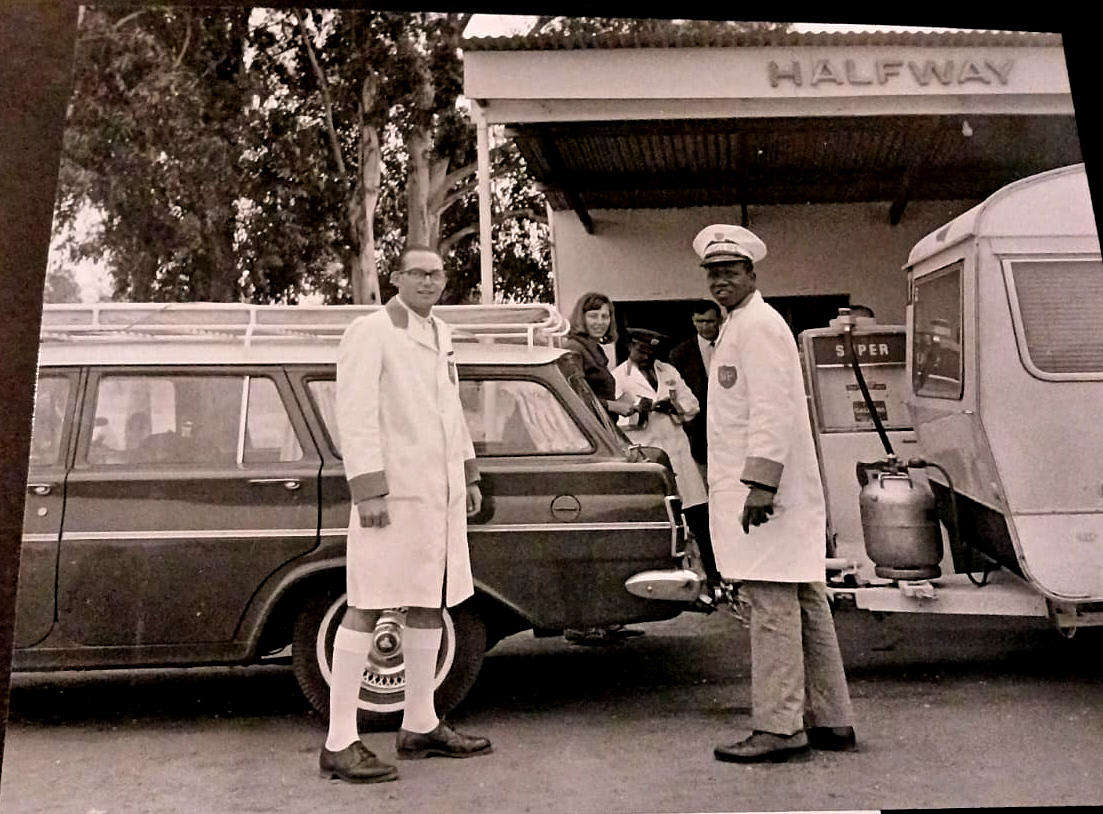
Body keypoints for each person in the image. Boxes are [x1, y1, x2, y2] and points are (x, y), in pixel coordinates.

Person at [322, 245, 492, 784]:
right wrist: (368, 490)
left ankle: (420, 723)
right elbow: (354, 414)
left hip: (436, 496)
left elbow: (449, 411)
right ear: (395, 277)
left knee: (428, 600)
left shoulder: (441, 332)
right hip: (391, 498)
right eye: (418, 273)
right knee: (368, 603)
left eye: (437, 273)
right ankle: (339, 741)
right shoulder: (371, 331)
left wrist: (468, 474)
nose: (429, 281)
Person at [691, 224, 856, 764]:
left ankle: (780, 728)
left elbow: (772, 408)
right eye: (712, 273)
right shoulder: (741, 325)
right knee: (805, 600)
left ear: (751, 274)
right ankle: (831, 719)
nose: (720, 280)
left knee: (772, 606)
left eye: (729, 271)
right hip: (775, 493)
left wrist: (760, 484)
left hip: (767, 495)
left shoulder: (758, 326)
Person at [612, 328, 715, 592]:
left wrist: (674, 407)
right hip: (650, 453)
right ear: (630, 347)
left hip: (677, 450)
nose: (646, 356)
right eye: (641, 350)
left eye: (651, 351)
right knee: (665, 518)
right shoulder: (618, 377)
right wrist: (639, 412)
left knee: (698, 516)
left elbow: (692, 405)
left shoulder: (668, 371)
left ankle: (714, 577)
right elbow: (615, 421)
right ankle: (671, 579)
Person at [668, 301, 724, 590]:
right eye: (700, 322)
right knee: (704, 504)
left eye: (710, 322)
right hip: (698, 441)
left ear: (719, 321)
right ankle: (712, 568)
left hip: (729, 436)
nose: (706, 327)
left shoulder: (730, 346)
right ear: (693, 322)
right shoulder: (680, 354)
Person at [564, 292, 637, 421]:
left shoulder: (595, 348)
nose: (600, 322)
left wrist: (620, 403)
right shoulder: (574, 348)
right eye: (593, 316)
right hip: (586, 428)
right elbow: (573, 397)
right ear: (581, 318)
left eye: (605, 317)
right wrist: (613, 406)